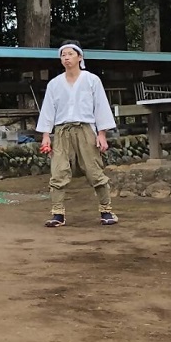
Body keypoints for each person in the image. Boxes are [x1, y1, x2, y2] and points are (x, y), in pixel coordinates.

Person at [36, 43, 119, 228]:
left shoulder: (92, 80)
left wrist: (102, 134)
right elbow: (48, 111)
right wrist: (46, 136)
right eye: (63, 55)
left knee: (94, 170)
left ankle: (106, 210)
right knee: (58, 171)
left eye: (70, 54)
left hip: (85, 130)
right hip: (62, 131)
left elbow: (101, 107)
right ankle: (58, 214)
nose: (66, 57)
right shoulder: (54, 84)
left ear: (79, 57)